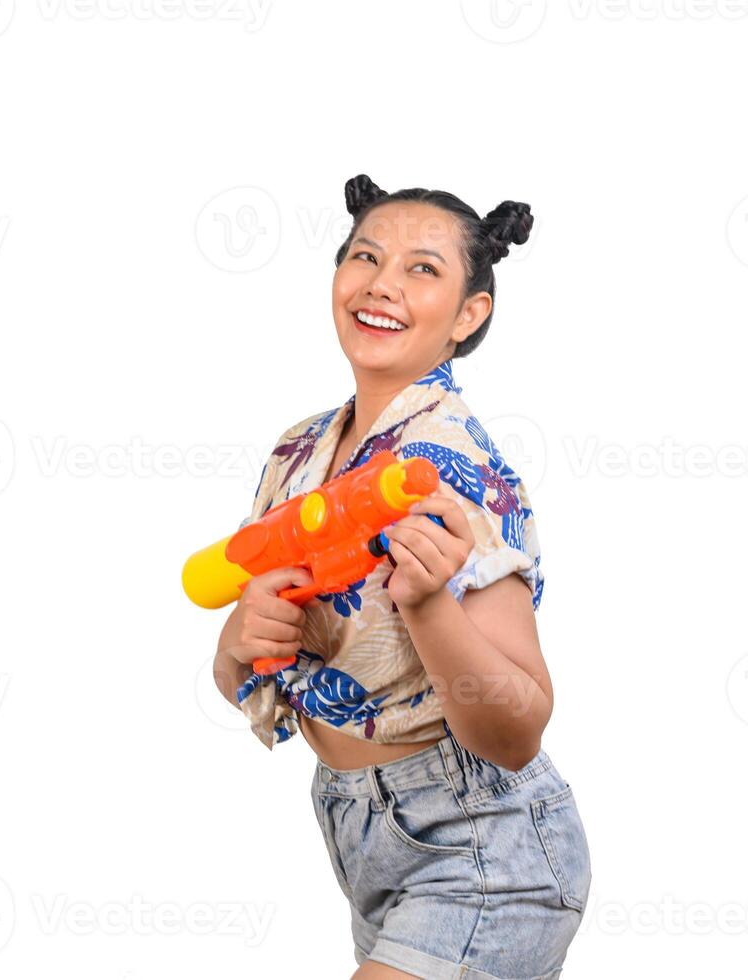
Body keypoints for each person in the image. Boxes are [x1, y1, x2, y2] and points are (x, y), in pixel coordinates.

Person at [212, 174, 591, 979]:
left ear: (467, 315)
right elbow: (236, 670)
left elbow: (517, 727)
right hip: (362, 839)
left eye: (422, 269)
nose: (381, 283)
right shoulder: (297, 451)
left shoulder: (453, 467)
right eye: (365, 257)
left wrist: (428, 607)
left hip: (481, 847)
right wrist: (241, 633)